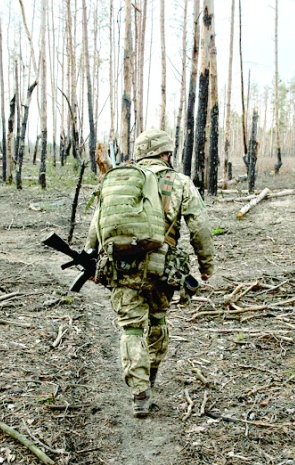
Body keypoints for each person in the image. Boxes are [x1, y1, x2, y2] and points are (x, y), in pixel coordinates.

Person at [85, 128, 215, 418]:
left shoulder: (119, 181)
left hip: (122, 266)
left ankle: (139, 391)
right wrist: (206, 266)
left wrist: (91, 259)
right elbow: (200, 227)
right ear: (166, 153)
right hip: (162, 268)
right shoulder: (179, 182)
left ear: (140, 154)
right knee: (157, 319)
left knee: (131, 327)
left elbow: (97, 225)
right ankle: (151, 374)